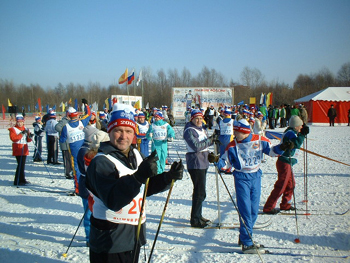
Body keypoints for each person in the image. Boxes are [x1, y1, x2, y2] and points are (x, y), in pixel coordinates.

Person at [85, 103, 184, 263]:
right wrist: (138, 176)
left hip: (134, 236)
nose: (124, 136)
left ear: (134, 134)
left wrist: (168, 177)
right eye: (118, 130)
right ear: (109, 131)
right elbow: (113, 200)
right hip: (110, 242)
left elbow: (145, 187)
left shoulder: (136, 155)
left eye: (128, 131)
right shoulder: (101, 162)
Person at [212, 119, 292, 254]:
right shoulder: (232, 146)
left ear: (245, 131)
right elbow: (224, 162)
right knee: (245, 211)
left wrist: (283, 147)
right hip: (241, 178)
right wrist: (216, 161)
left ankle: (244, 235)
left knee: (254, 210)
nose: (235, 134)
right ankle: (247, 242)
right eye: (234, 132)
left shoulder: (260, 140)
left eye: (238, 132)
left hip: (256, 176)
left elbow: (272, 152)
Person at [263, 115, 309, 214]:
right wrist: (302, 135)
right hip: (284, 162)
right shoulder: (290, 133)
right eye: (300, 125)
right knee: (281, 185)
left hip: (287, 162)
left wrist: (302, 133)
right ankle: (269, 207)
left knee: (291, 184)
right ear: (296, 126)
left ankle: (285, 204)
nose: (301, 127)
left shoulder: (291, 131)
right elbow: (296, 144)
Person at [183, 109, 218, 228]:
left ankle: (198, 215)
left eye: (200, 118)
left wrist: (210, 154)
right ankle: (195, 219)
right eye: (196, 118)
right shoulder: (189, 130)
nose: (198, 121)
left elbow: (204, 145)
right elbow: (196, 146)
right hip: (195, 162)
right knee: (199, 192)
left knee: (201, 192)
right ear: (191, 119)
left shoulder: (202, 128)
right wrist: (211, 140)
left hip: (203, 161)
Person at [77, 126, 110, 247]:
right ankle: (89, 237)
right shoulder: (86, 151)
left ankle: (97, 236)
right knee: (89, 213)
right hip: (88, 187)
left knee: (98, 213)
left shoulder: (90, 150)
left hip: (93, 186)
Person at [59, 100, 91, 195]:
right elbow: (88, 114)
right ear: (77, 115)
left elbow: (62, 139)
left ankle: (78, 189)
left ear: (68, 116)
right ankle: (89, 187)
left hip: (74, 153)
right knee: (87, 169)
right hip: (85, 150)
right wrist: (86, 105)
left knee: (77, 171)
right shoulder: (82, 122)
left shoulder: (66, 127)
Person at [9, 114, 33, 185]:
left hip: (24, 148)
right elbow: (13, 138)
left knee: (22, 165)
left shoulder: (25, 128)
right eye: (18, 122)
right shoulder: (13, 129)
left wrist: (30, 136)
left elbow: (28, 140)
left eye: (21, 122)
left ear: (23, 122)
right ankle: (17, 180)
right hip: (18, 148)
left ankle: (22, 179)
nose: (20, 123)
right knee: (20, 165)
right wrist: (21, 134)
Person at [55, 110, 73, 179]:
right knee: (66, 159)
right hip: (65, 144)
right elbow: (57, 127)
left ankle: (71, 171)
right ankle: (67, 172)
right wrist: (64, 132)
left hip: (70, 143)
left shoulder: (71, 121)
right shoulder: (64, 121)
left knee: (70, 158)